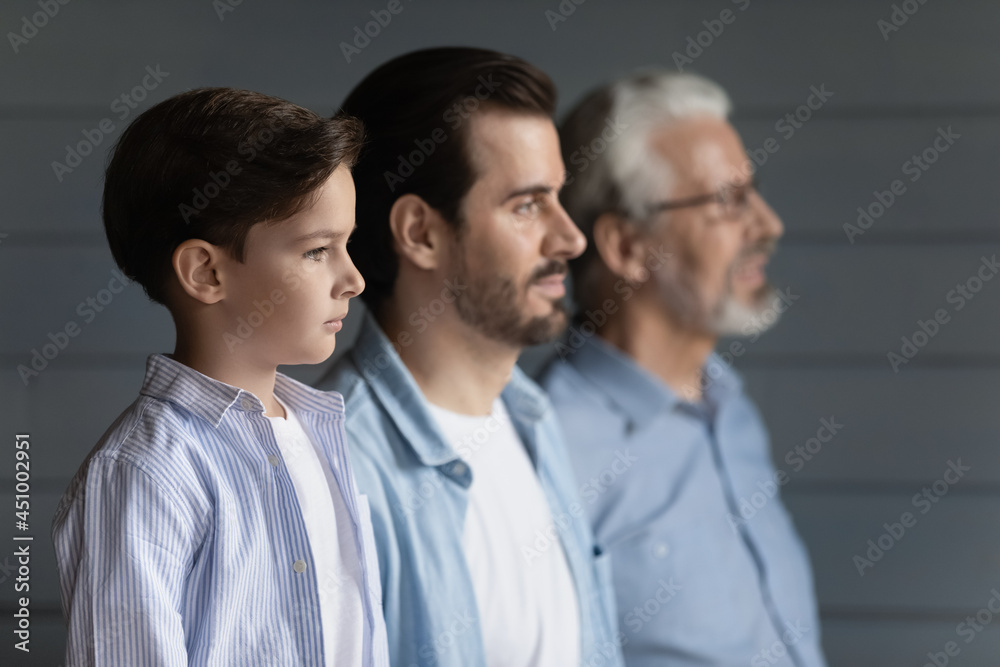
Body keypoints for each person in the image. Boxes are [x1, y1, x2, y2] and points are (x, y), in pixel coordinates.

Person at [51, 87, 389, 666]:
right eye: (316, 251)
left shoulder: (319, 432)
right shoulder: (146, 470)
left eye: (347, 245)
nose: (353, 278)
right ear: (205, 271)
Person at [315, 47, 624, 667]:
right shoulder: (336, 471)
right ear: (421, 233)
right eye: (527, 205)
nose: (570, 238)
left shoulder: (533, 421)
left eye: (558, 199)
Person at [539, 72, 827, 667]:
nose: (768, 225)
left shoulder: (730, 407)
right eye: (727, 200)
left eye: (754, 191)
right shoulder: (550, 447)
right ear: (626, 247)